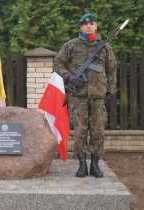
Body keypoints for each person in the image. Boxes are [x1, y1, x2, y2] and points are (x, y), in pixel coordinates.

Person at [54, 13, 117, 178]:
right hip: (79, 96)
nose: (89, 26)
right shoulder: (71, 46)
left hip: (98, 96)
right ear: (80, 26)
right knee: (80, 131)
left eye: (92, 23)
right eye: (85, 23)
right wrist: (69, 77)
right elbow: (58, 63)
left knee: (98, 131)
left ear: (96, 26)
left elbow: (111, 70)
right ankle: (82, 164)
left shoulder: (105, 47)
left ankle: (95, 164)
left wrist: (111, 90)